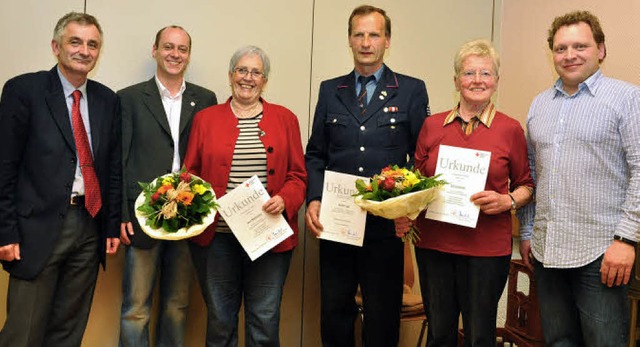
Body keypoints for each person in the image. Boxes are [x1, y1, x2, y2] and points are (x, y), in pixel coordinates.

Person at [304, 5, 430, 346]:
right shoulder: (331, 90)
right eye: (359, 34)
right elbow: (316, 153)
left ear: (387, 40)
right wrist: (314, 198)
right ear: (349, 39)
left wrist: (409, 209)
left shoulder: (410, 90)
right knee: (334, 313)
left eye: (374, 34)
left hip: (384, 225)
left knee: (382, 317)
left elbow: (421, 159)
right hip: (337, 221)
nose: (366, 42)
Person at [518, 10, 640, 346]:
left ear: (600, 49)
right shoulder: (539, 105)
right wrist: (527, 231)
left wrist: (626, 240)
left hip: (602, 253)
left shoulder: (628, 99)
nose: (569, 55)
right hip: (547, 251)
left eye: (580, 46)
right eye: (561, 48)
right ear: (552, 54)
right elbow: (531, 174)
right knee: (558, 341)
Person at [0, 12, 121, 346]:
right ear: (56, 46)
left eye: (92, 44)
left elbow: (111, 169)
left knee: (68, 331)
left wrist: (110, 226)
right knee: (23, 332)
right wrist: (5, 231)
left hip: (89, 225)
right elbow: (4, 167)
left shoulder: (107, 100)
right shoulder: (24, 90)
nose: (84, 50)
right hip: (35, 229)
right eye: (75, 41)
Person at [403, 39, 534, 346]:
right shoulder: (432, 126)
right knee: (439, 335)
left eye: (486, 73)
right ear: (456, 81)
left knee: (479, 336)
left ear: (496, 82)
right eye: (469, 72)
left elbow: (527, 184)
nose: (477, 80)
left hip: (486, 251)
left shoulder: (510, 129)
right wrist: (405, 214)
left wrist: (507, 200)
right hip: (434, 246)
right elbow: (415, 182)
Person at [183, 45, 306, 346]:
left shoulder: (285, 119)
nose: (247, 78)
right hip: (218, 239)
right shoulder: (205, 119)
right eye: (241, 70)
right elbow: (189, 175)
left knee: (264, 321)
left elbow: (298, 176)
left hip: (268, 237)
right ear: (230, 75)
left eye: (255, 72)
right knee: (220, 321)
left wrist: (285, 200)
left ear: (265, 80)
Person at [118, 25, 217, 347]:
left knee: (177, 306)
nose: (175, 54)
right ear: (155, 50)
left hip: (189, 217)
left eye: (182, 49)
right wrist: (121, 214)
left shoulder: (205, 99)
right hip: (143, 217)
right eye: (168, 47)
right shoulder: (129, 99)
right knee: (135, 309)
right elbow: (118, 161)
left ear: (189, 54)